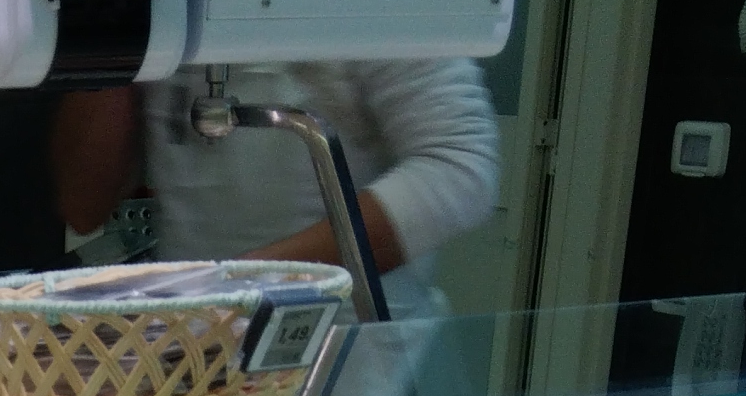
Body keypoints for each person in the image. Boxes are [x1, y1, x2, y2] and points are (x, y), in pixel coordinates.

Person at [52, 59, 502, 318]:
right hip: (194, 346)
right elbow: (83, 206)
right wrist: (112, 32)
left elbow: (460, 166)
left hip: (350, 356)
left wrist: (237, 286)